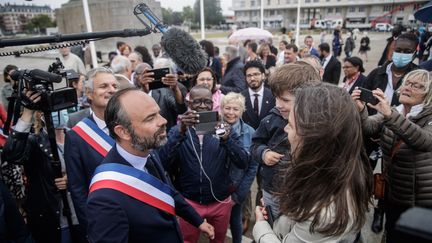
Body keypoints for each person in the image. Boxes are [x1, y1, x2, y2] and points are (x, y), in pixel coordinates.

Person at [86, 88, 214, 243]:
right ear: (123, 132)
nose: (163, 121)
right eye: (150, 118)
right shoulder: (104, 199)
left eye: (158, 113)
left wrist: (198, 221)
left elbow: (168, 192)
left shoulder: (148, 151)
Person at [254, 83, 372, 242]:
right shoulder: (328, 169)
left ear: (313, 140)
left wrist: (262, 228)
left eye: (291, 125)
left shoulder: (324, 216)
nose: (285, 130)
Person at [158, 85, 249, 243]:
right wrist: (181, 132)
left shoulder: (223, 128)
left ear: (213, 102)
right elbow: (163, 162)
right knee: (188, 240)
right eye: (197, 102)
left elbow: (242, 162)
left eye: (207, 102)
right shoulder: (178, 130)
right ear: (189, 103)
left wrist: (227, 140)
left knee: (218, 239)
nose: (202, 106)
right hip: (190, 201)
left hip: (220, 201)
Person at [351, 69, 432, 243]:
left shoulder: (427, 115)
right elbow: (369, 127)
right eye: (407, 83)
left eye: (417, 86)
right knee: (393, 233)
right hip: (394, 191)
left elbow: (424, 141)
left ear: (429, 93)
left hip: (421, 197)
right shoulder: (396, 109)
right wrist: (361, 110)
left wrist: (389, 115)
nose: (408, 88)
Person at [2, 95, 85, 243]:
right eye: (55, 110)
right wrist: (27, 112)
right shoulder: (35, 143)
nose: (60, 113)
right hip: (56, 219)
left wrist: (73, 179)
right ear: (41, 115)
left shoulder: (78, 137)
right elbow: (12, 154)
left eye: (64, 109)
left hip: (83, 214)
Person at [362, 33, 419, 233]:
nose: (401, 54)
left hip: (399, 136)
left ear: (415, 51)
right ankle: (368, 204)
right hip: (371, 130)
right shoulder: (377, 73)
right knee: (366, 171)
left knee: (390, 177)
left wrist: (390, 119)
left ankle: (381, 210)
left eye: (406, 51)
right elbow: (363, 99)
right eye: (398, 50)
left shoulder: (417, 76)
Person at [251, 63, 320, 219]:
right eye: (276, 98)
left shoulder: (318, 126)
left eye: (285, 100)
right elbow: (255, 144)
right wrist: (264, 153)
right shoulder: (270, 121)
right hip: (272, 191)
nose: (278, 105)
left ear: (307, 99)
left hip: (303, 195)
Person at [64, 67, 119, 235]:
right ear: (89, 93)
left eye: (114, 86)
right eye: (104, 86)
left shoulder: (132, 123)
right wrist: (91, 228)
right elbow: (78, 190)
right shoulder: (76, 136)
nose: (111, 90)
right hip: (105, 221)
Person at [220, 93, 258, 243]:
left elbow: (252, 167)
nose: (231, 112)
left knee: (235, 219)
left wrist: (239, 195)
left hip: (236, 187)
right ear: (221, 109)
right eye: (227, 108)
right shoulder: (214, 128)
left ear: (242, 110)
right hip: (216, 186)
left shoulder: (251, 132)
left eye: (235, 109)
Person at [135, 58, 187, 131]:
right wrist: (144, 90)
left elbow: (180, 109)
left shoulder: (163, 93)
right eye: (143, 75)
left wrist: (175, 88)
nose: (146, 77)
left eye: (149, 74)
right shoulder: (132, 95)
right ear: (136, 77)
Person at [240, 60, 275, 130]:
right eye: (249, 76)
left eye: (256, 74)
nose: (252, 78)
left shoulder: (273, 96)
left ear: (263, 75)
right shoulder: (240, 97)